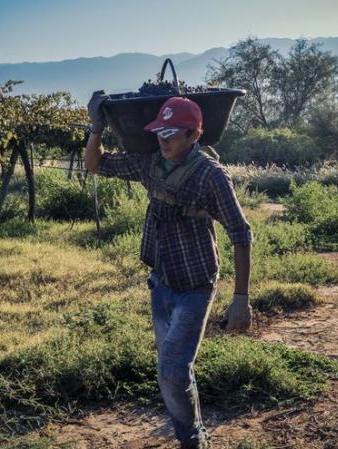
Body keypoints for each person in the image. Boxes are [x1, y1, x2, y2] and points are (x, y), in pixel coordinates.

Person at [84, 91, 253, 448]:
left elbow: (241, 232)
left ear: (195, 136)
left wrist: (241, 299)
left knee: (173, 370)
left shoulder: (211, 177)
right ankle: (194, 432)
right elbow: (95, 164)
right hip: (160, 283)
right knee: (170, 371)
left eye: (173, 133)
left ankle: (192, 440)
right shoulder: (148, 164)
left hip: (195, 285)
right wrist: (96, 128)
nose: (164, 139)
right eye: (161, 131)